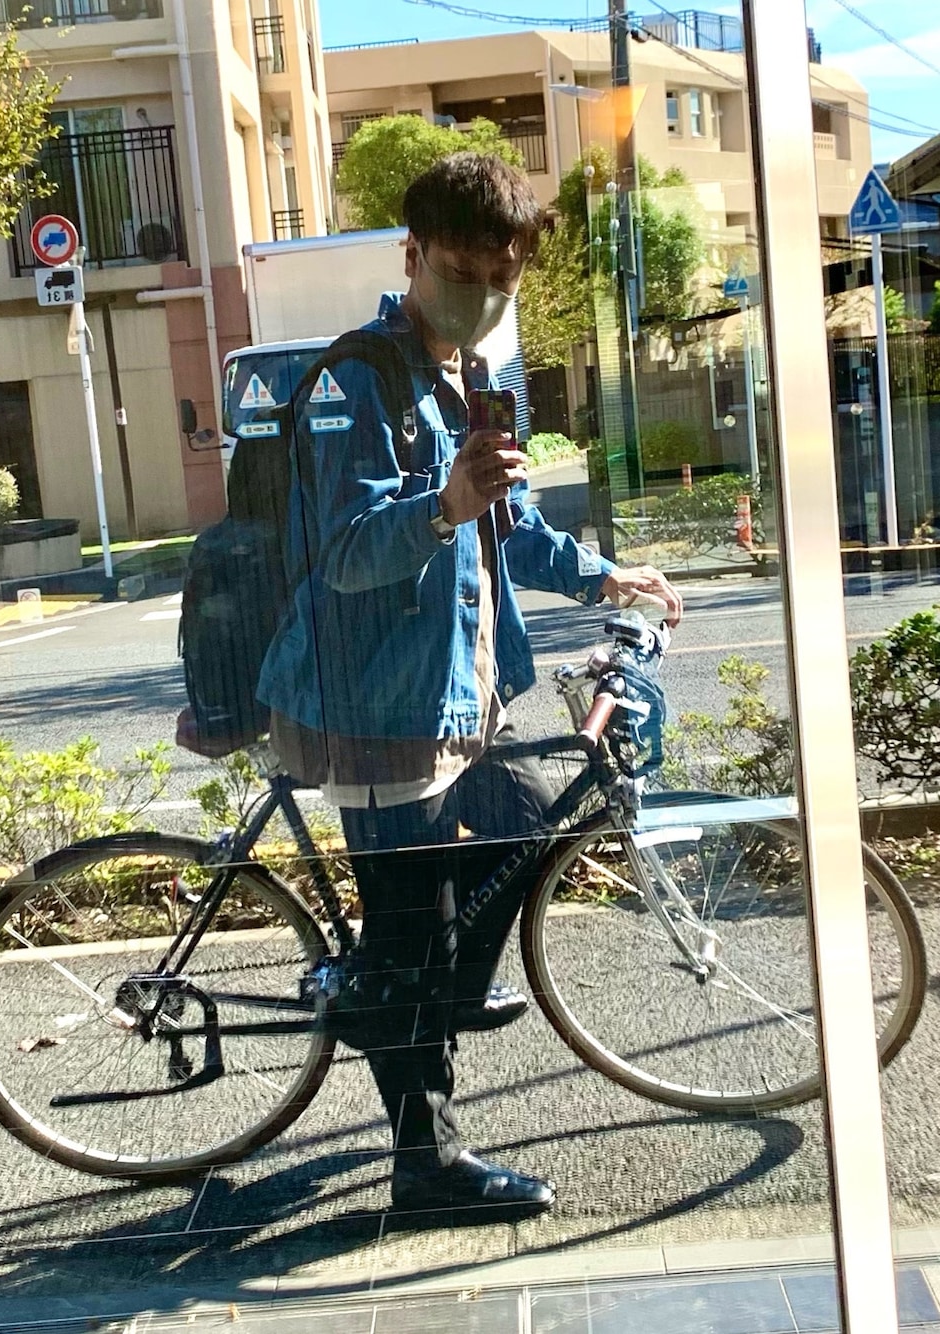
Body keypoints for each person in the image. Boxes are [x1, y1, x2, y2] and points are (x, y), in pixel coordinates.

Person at [258, 152, 682, 1217]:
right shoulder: (359, 380)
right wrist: (442, 505)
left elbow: (512, 527)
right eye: (462, 272)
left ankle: (419, 994)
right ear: (412, 256)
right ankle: (426, 1161)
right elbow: (343, 551)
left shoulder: (471, 380)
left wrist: (605, 575)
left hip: (454, 699)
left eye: (503, 277)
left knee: (527, 821)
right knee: (410, 938)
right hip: (373, 710)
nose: (485, 294)